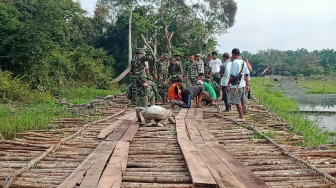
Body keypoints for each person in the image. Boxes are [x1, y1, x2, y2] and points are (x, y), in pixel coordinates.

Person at [226, 48, 250, 122]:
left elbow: (232, 75)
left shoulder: (234, 62)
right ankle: (241, 115)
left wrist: (228, 85)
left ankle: (241, 116)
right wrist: (247, 85)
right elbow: (247, 74)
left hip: (235, 85)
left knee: (237, 101)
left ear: (233, 55)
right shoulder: (243, 62)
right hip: (242, 84)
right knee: (242, 101)